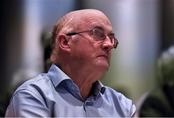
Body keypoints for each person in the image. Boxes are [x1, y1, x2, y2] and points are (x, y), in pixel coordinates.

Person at [5, 9, 136, 117]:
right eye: (97, 33)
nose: (109, 44)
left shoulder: (123, 105)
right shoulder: (33, 96)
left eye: (111, 38)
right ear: (65, 42)